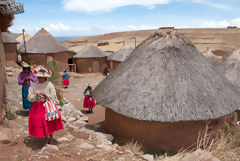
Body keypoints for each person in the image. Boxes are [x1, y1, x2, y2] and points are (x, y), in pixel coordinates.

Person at [28, 65, 63, 144]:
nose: (39, 78)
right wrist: (36, 95)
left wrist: (47, 96)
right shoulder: (33, 85)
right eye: (38, 77)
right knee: (39, 122)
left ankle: (51, 137)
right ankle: (45, 136)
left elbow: (54, 97)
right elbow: (30, 97)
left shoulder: (49, 85)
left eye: (41, 77)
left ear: (45, 77)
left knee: (49, 121)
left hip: (47, 106)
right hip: (36, 107)